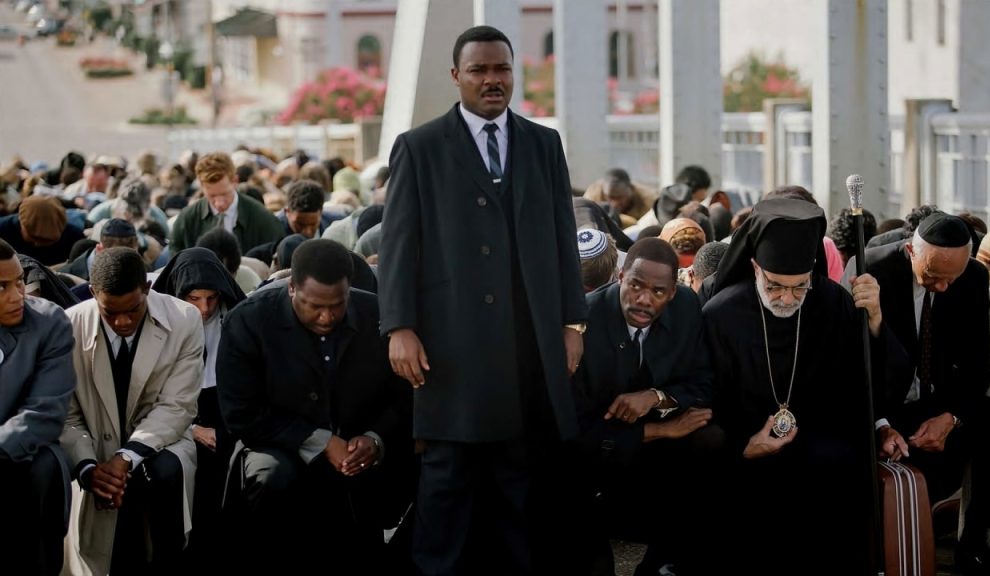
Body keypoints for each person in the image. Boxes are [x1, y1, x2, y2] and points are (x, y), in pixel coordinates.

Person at [378, 25, 587, 575]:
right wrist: (398, 325)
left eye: (501, 69)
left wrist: (573, 324)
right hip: (450, 348)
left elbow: (564, 238)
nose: (492, 80)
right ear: (457, 77)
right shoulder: (418, 148)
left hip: (527, 344)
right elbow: (399, 243)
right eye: (479, 70)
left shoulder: (544, 144)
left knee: (518, 482)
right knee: (447, 481)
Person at [702, 197, 907, 573]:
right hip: (746, 448)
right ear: (754, 266)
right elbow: (704, 399)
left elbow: (872, 382)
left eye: (800, 288)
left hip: (819, 443)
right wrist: (744, 446)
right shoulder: (721, 314)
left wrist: (874, 321)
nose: (787, 298)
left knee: (842, 467)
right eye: (776, 285)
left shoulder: (833, 303)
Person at [216, 240, 411, 573]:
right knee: (272, 474)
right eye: (315, 306)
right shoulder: (248, 320)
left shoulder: (378, 316)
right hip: (278, 446)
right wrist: (319, 441)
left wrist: (375, 438)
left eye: (337, 305)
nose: (327, 316)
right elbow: (240, 412)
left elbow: (404, 396)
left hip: (358, 446)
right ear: (291, 288)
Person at [860, 212, 990, 573]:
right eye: (932, 277)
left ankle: (976, 541)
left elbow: (977, 364)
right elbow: (853, 367)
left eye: (953, 278)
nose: (943, 287)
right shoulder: (873, 270)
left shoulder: (974, 277)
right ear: (910, 251)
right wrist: (881, 424)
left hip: (936, 402)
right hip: (882, 405)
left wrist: (951, 418)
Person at [569, 238, 717, 575]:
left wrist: (654, 396)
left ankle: (668, 559)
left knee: (710, 438)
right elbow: (571, 425)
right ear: (620, 276)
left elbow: (704, 383)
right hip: (591, 456)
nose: (643, 299)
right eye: (635, 285)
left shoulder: (688, 309)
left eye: (658, 291)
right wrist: (657, 429)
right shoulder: (584, 320)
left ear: (673, 292)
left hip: (653, 454)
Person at [61, 248, 203, 575]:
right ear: (94, 294)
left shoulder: (184, 318)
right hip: (92, 448)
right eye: (110, 313)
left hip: (161, 442)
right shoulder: (68, 326)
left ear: (148, 289)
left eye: (133, 310)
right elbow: (66, 415)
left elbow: (177, 405)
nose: (122, 321)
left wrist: (125, 457)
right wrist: (87, 467)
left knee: (166, 472)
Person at [151, 247, 246, 567]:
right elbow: (148, 394)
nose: (204, 309)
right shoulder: (159, 324)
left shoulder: (234, 320)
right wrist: (192, 429)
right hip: (174, 416)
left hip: (227, 412)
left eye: (211, 298)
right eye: (194, 299)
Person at [0, 238, 76, 575]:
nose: (18, 295)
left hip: (26, 450)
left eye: (18, 282)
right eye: (2, 287)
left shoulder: (49, 322)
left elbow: (44, 412)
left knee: (41, 469)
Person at [169, 152, 283, 254]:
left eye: (224, 194)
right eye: (212, 196)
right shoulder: (186, 221)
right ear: (201, 186)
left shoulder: (263, 219)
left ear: (235, 181)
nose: (219, 203)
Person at [0, 195, 84, 266]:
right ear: (21, 222)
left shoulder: (74, 237)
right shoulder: (3, 231)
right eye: (34, 238)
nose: (38, 244)